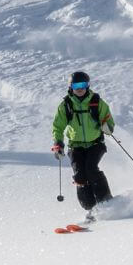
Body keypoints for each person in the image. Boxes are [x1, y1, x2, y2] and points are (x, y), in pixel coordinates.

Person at [50, 71, 115, 221]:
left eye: (83, 85)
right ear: (71, 87)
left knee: (91, 169)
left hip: (95, 143)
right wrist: (58, 143)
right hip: (76, 146)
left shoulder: (96, 102)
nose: (80, 89)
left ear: (88, 85)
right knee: (80, 175)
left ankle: (106, 201)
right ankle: (91, 208)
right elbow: (58, 126)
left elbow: (108, 119)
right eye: (76, 85)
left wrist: (108, 127)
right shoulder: (66, 105)